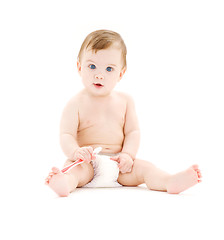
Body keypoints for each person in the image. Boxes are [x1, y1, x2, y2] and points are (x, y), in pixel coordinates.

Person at [45, 30, 202, 197]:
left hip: (119, 165)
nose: (99, 74)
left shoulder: (125, 101)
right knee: (75, 171)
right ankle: (64, 183)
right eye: (92, 66)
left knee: (146, 168)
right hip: (87, 162)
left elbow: (132, 132)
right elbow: (66, 135)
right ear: (79, 67)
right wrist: (76, 152)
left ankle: (169, 181)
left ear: (121, 73)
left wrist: (127, 155)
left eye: (109, 69)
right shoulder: (75, 103)